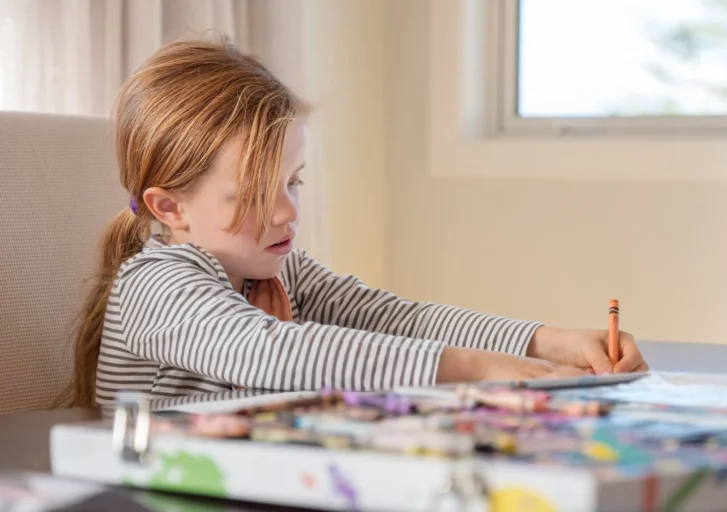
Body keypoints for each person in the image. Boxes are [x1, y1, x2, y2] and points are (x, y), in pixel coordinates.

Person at [60, 39, 647, 408]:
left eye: (295, 181)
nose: (289, 211)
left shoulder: (274, 267)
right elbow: (264, 351)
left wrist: (548, 342)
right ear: (170, 208)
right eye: (257, 195)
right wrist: (475, 369)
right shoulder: (154, 283)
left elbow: (396, 319)